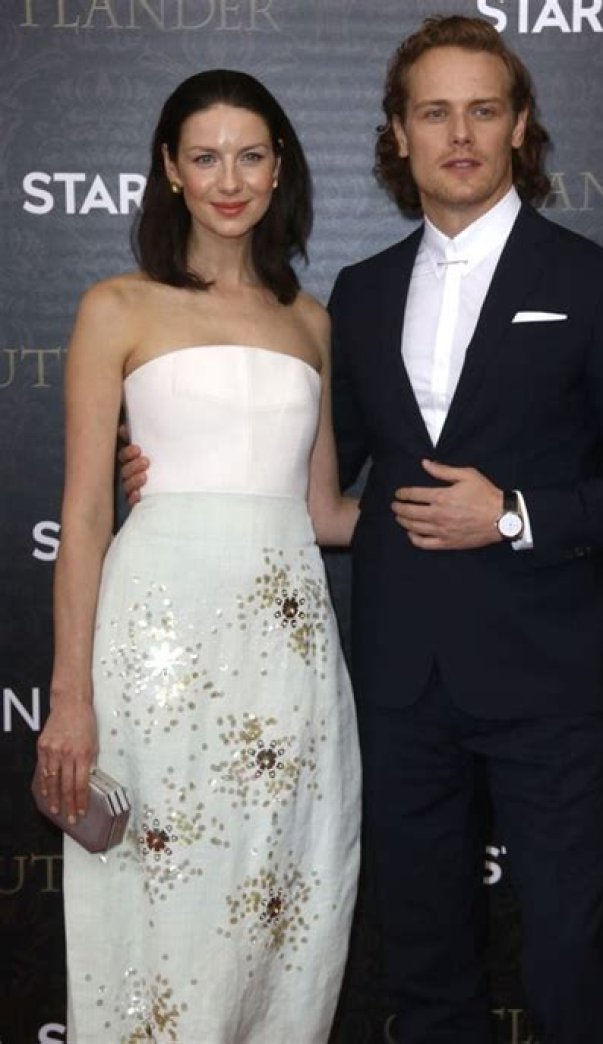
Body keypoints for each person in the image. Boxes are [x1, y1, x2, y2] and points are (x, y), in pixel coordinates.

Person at [120, 17, 603, 1044]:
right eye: (434, 112)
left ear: (519, 125)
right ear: (398, 134)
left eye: (483, 110)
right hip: (398, 688)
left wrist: (515, 515)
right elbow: (310, 462)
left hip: (546, 683)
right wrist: (183, 469)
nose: (459, 134)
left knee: (568, 960)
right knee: (428, 971)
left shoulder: (597, 283)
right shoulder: (362, 292)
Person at [35, 69, 361, 1043]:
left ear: (279, 168)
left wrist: (496, 487)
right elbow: (84, 514)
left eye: (251, 156)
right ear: (171, 170)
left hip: (289, 661)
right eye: (206, 157)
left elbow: (325, 512)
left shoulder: (311, 323)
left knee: (281, 910)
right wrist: (70, 698)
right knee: (161, 909)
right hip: (158, 651)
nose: (230, 180)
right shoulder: (116, 306)